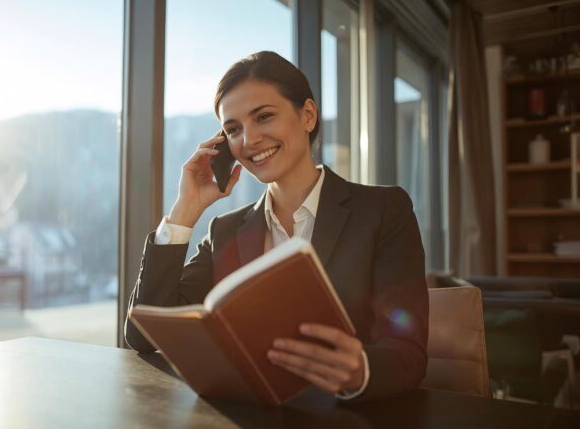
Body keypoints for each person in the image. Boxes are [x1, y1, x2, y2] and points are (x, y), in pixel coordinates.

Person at [124, 51, 428, 401]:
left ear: (308, 115)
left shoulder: (383, 211)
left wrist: (360, 370)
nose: (249, 140)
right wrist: (184, 212)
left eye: (264, 117)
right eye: (233, 129)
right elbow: (143, 335)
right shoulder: (225, 231)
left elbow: (408, 352)